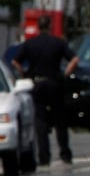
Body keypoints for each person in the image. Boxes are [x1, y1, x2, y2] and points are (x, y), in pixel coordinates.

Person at [12, 15, 79, 168]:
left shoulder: (30, 44)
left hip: (37, 83)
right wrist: (65, 75)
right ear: (49, 26)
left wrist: (24, 74)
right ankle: (65, 153)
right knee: (59, 120)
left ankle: (44, 156)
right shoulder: (58, 43)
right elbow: (75, 59)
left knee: (40, 120)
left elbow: (15, 61)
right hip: (54, 82)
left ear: (37, 27)